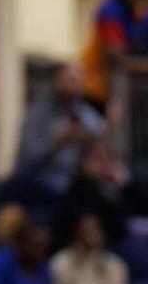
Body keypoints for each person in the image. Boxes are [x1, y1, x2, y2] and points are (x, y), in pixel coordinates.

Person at [13, 62, 107, 202]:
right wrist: (58, 142)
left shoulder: (86, 115)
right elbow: (26, 160)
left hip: (74, 186)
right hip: (39, 182)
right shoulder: (38, 112)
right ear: (56, 80)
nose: (75, 84)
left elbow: (101, 146)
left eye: (79, 79)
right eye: (70, 79)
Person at [82, 0, 148, 108]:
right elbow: (116, 53)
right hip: (95, 86)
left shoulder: (136, 10)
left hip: (118, 87)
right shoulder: (111, 11)